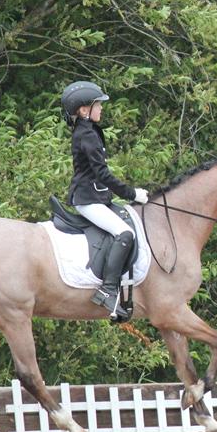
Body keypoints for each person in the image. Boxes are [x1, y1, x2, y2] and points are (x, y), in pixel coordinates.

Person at [60, 80, 148, 321]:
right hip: (87, 199)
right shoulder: (86, 135)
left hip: (97, 196)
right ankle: (108, 290)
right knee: (124, 234)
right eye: (97, 105)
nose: (101, 108)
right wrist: (132, 194)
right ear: (83, 110)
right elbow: (102, 174)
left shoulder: (89, 130)